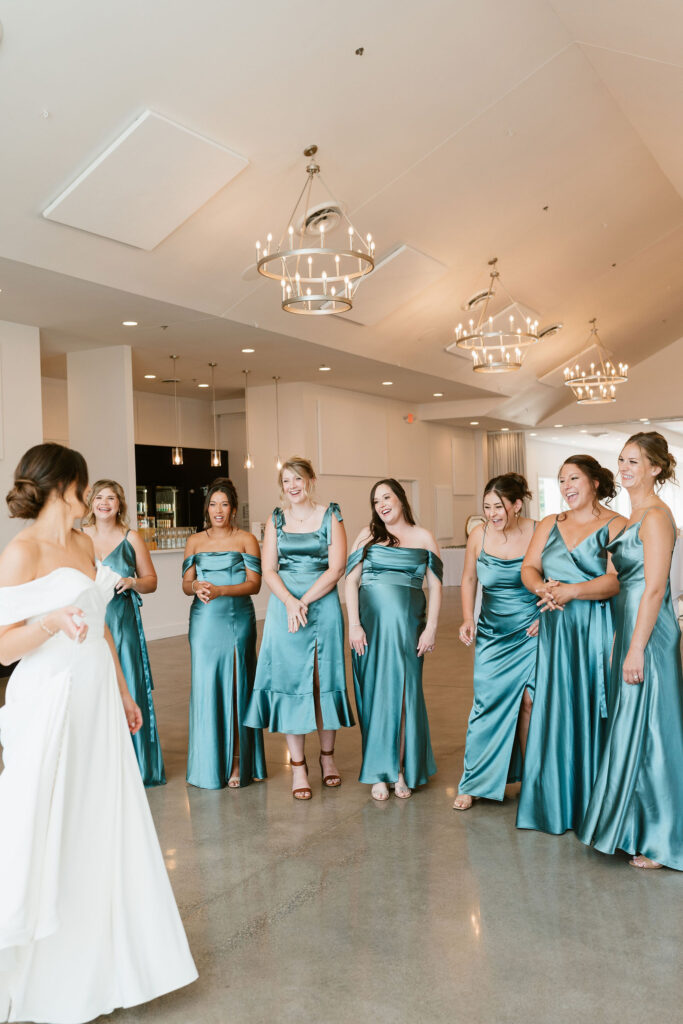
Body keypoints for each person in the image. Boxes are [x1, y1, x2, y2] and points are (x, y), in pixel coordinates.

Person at [0, 443, 196, 1023]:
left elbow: (103, 625)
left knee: (98, 818)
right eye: (83, 483)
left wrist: (122, 688)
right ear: (64, 484)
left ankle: (104, 962)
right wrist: (49, 623)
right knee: (46, 815)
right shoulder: (21, 552)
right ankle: (43, 962)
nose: (90, 493)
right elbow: (3, 643)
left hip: (95, 693)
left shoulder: (85, 543)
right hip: (48, 696)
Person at [579, 432, 683, 870]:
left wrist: (636, 648)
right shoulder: (633, 513)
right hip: (629, 629)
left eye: (633, 462)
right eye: (621, 460)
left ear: (655, 468)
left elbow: (655, 587)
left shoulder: (657, 516)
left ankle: (663, 839)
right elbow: (621, 584)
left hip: (651, 634)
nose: (623, 468)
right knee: (632, 730)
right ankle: (635, 826)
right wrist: (621, 642)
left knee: (654, 732)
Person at [516, 455, 626, 835]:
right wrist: (541, 588)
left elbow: (614, 582)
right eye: (561, 480)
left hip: (594, 628)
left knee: (592, 708)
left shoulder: (616, 525)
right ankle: (554, 802)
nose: (566, 487)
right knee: (554, 706)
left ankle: (593, 807)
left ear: (595, 482)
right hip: (555, 626)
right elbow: (528, 567)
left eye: (573, 478)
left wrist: (573, 592)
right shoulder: (549, 523)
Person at [245, 457, 354, 800]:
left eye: (298, 479)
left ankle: (327, 759)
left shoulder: (330, 515)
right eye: (286, 481)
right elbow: (269, 569)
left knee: (323, 681)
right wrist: (291, 604)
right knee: (290, 682)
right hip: (285, 609)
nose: (292, 486)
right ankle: (297, 767)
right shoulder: (275, 520)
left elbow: (336, 569)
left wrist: (303, 600)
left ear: (311, 480)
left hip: (321, 608)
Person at [345, 479, 442, 801]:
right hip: (369, 630)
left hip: (409, 629)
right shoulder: (367, 536)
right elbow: (351, 581)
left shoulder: (424, 537)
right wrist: (354, 625)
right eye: (376, 501)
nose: (382, 504)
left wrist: (431, 629)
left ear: (400, 499)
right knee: (374, 696)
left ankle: (399, 769)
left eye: (387, 497)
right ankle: (378, 770)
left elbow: (437, 586)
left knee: (404, 695)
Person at [454, 474, 539, 811]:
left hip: (530, 631)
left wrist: (544, 617)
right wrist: (466, 618)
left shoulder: (537, 531)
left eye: (498, 506)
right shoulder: (479, 534)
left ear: (517, 504)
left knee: (531, 704)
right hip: (491, 633)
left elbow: (556, 577)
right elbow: (468, 578)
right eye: (487, 506)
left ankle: (535, 779)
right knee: (486, 704)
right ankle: (474, 781)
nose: (492, 513)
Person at [182, 478, 266, 789]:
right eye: (214, 504)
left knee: (237, 688)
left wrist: (220, 590)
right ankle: (207, 763)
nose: (219, 510)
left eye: (225, 504)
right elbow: (185, 584)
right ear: (207, 508)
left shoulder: (245, 539)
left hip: (237, 620)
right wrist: (197, 587)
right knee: (205, 689)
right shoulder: (194, 541)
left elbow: (254, 585)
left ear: (232, 508)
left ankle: (238, 762)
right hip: (203, 621)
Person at [82, 478, 166, 786]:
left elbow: (152, 580)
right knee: (90, 685)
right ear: (91, 503)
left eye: (111, 498)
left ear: (120, 505)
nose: (104, 503)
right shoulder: (78, 537)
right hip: (88, 620)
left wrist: (132, 582)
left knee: (128, 682)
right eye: (99, 497)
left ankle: (135, 766)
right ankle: (96, 770)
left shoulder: (131, 538)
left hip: (121, 621)